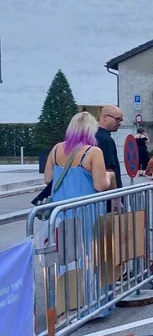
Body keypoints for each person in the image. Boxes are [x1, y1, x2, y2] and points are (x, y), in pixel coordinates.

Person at [45, 112, 114, 315]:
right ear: (91, 129)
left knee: (65, 259)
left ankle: (67, 306)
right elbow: (100, 185)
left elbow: (48, 180)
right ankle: (93, 305)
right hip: (88, 212)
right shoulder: (93, 152)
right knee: (91, 257)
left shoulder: (56, 149)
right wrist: (109, 176)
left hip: (60, 214)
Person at [95, 105, 123, 189]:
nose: (120, 123)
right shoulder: (106, 139)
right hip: (108, 193)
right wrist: (116, 197)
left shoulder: (93, 135)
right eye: (117, 119)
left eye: (121, 120)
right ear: (105, 117)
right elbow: (110, 170)